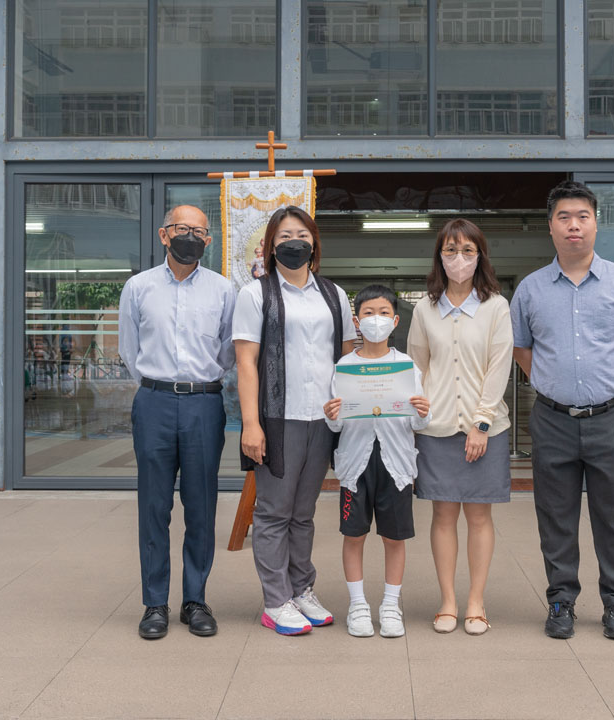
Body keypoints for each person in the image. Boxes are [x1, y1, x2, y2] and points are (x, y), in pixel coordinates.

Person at [510, 180, 614, 641]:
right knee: (554, 516)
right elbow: (522, 348)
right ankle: (561, 601)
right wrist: (551, 383)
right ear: (550, 226)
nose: (573, 225)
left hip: (611, 419)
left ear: (596, 224)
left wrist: (612, 379)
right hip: (552, 419)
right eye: (564, 217)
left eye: (582, 217)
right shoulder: (531, 289)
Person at [233, 206, 356, 636]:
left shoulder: (333, 294)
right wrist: (251, 424)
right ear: (270, 246)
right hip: (276, 419)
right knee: (273, 513)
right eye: (284, 236)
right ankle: (275, 600)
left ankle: (302, 589)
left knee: (303, 513)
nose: (294, 242)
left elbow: (348, 358)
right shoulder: (256, 294)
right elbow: (246, 363)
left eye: (302, 234)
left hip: (322, 418)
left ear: (314, 243)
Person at [119, 204, 236, 640]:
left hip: (204, 403)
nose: (190, 236)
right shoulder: (139, 287)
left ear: (209, 240)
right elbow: (129, 349)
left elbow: (228, 349)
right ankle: (154, 603)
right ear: (164, 234)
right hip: (154, 401)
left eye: (199, 231)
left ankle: (195, 601)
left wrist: (201, 382)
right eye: (181, 228)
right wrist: (157, 386)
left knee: (201, 505)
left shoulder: (223, 289)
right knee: (154, 506)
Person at [406, 218, 513, 636]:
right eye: (451, 250)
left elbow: (499, 366)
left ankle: (476, 602)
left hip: (484, 429)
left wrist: (481, 423)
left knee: (480, 515)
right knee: (443, 513)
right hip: (437, 428)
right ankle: (448, 601)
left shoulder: (495, 306)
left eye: (468, 250)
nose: (459, 258)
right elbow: (417, 366)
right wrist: (417, 413)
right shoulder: (424, 308)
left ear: (480, 256)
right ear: (440, 256)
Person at [323, 285, 430, 638]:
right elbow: (336, 424)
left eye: (383, 313)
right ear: (357, 321)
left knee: (394, 538)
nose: (376, 320)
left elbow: (418, 423)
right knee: (354, 535)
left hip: (395, 464)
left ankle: (390, 605)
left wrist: (423, 412)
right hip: (355, 465)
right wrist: (332, 415)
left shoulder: (406, 366)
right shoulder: (345, 367)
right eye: (368, 313)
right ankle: (357, 606)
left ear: (395, 321)